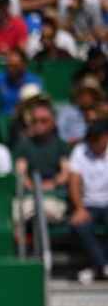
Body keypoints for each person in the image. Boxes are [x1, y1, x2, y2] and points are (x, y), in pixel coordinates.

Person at [13, 100, 71, 224]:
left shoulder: (61, 145)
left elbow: (65, 174)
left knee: (44, 214)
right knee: (19, 215)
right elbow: (21, 173)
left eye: (44, 120)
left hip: (54, 196)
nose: (39, 124)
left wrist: (51, 185)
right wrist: (33, 187)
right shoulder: (23, 145)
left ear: (53, 122)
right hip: (29, 196)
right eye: (35, 121)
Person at [68, 119, 108, 283]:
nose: (92, 143)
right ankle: (103, 266)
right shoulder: (79, 151)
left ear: (105, 137)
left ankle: (98, 268)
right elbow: (74, 181)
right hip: (88, 204)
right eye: (90, 139)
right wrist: (79, 208)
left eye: (96, 139)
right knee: (79, 225)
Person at [0, 49, 43, 117]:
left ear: (24, 65)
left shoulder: (34, 82)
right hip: (2, 121)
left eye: (15, 66)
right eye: (8, 65)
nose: (10, 69)